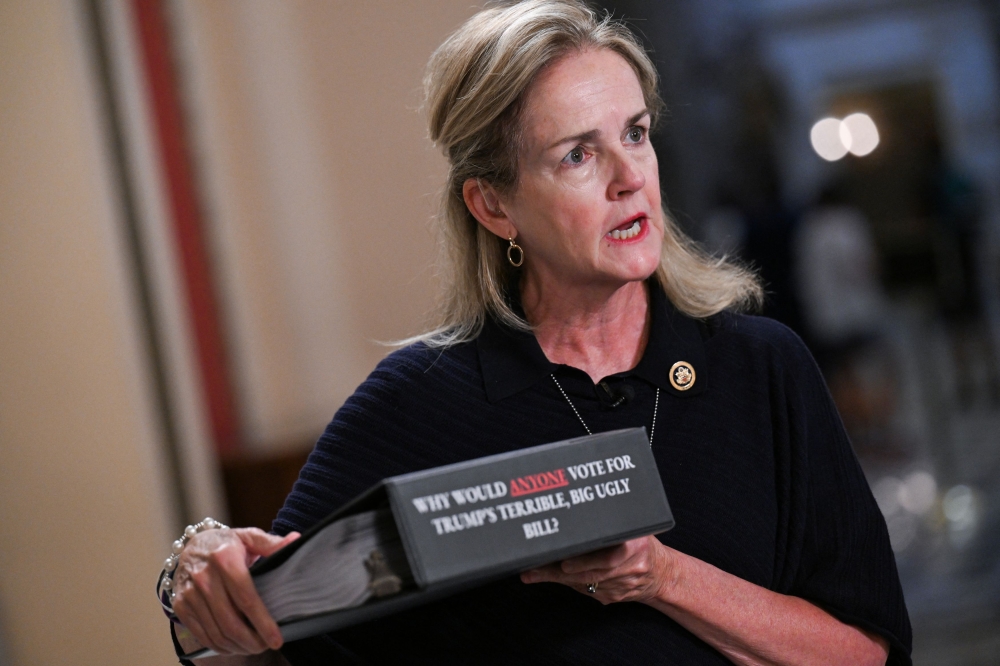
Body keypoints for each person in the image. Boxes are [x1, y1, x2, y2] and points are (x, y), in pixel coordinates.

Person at [160, 2, 911, 664]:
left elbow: (864, 652)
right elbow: (255, 637)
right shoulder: (420, 401)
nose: (630, 177)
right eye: (579, 154)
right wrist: (198, 572)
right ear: (493, 207)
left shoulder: (760, 368)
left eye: (636, 133)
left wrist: (663, 577)